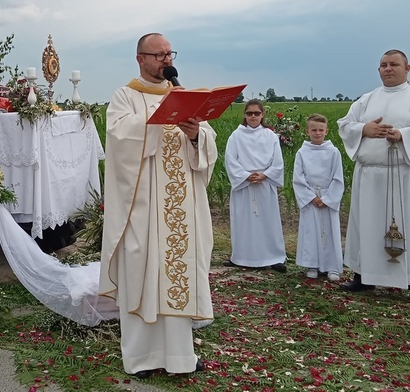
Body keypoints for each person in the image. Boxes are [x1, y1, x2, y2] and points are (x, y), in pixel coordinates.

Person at [99, 33, 217, 378]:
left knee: (178, 273)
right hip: (146, 209)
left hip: (181, 209)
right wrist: (158, 121)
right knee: (144, 273)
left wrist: (197, 135)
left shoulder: (183, 95)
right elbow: (119, 141)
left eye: (170, 53)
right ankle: (141, 358)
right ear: (141, 59)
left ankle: (180, 358)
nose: (167, 60)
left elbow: (207, 144)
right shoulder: (125, 96)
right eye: (159, 54)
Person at [338, 49, 410, 292]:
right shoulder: (367, 99)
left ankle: (406, 278)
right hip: (369, 176)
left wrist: (403, 135)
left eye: (393, 64)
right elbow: (345, 125)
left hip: (402, 175)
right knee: (365, 226)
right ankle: (363, 276)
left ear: (407, 69)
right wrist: (363, 129)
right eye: (383, 65)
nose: (387, 68)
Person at [224, 99, 287, 272]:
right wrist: (245, 176)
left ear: (262, 115)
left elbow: (278, 162)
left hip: (264, 185)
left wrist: (264, 175)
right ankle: (241, 256)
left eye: (256, 113)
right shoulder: (236, 136)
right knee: (243, 223)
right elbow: (230, 160)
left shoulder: (270, 136)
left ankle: (274, 257)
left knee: (268, 222)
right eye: (249, 113)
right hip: (244, 186)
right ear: (245, 115)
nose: (253, 116)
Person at [293, 114, 344, 281]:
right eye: (313, 130)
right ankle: (312, 264)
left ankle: (332, 267)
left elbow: (338, 178)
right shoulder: (302, 152)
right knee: (311, 231)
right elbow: (298, 178)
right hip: (311, 198)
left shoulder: (333, 152)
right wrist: (311, 197)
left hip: (328, 197)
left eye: (320, 130)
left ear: (326, 131)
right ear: (307, 131)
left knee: (330, 231)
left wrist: (328, 199)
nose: (317, 133)